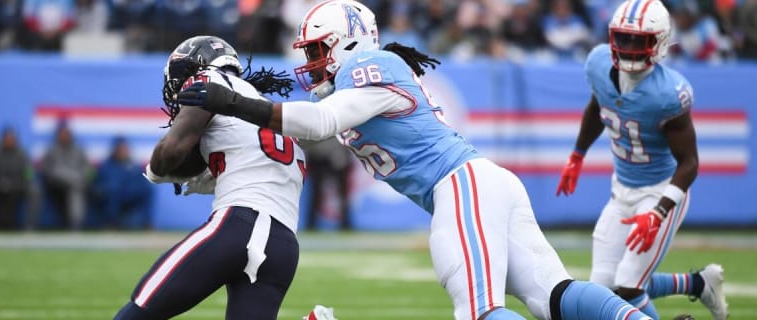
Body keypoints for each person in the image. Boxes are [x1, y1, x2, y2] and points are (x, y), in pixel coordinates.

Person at [175, 1, 663, 319]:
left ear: (348, 41)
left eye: (319, 50)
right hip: (479, 184)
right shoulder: (361, 78)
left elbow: (319, 122)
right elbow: (302, 139)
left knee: (478, 311)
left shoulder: (373, 66)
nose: (312, 62)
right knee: (554, 297)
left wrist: (232, 101)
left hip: (459, 186)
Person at [554, 0, 728, 319]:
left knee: (629, 285)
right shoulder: (597, 64)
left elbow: (690, 163)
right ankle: (699, 283)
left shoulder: (668, 93)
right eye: (623, 38)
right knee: (601, 290)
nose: (630, 47)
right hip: (621, 190)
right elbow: (598, 107)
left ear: (660, 42)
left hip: (659, 191)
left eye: (639, 40)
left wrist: (659, 211)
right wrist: (577, 155)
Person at [113, 35, 305, 320]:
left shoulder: (207, 82)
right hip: (282, 246)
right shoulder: (262, 108)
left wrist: (156, 170)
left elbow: (172, 153)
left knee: (139, 311)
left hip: (240, 225)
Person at [0, 126, 40, 231]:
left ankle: (30, 226)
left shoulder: (22, 154)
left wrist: (17, 183)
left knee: (34, 190)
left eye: (12, 139)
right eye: (7, 139)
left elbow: (29, 174)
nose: (10, 141)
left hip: (19, 187)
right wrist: (1, 182)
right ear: (3, 139)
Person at [89, 135, 153, 229]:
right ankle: (110, 223)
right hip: (111, 195)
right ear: (115, 149)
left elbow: (139, 180)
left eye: (124, 148)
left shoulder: (132, 164)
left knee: (148, 189)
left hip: (127, 194)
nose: (123, 151)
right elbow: (101, 183)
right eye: (120, 148)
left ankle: (147, 223)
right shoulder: (107, 165)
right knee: (113, 190)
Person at [40, 119, 90, 230]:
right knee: (72, 181)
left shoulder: (78, 150)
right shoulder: (51, 150)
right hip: (55, 185)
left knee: (75, 188)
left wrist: (80, 178)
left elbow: (86, 169)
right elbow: (46, 169)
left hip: (76, 184)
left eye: (66, 133)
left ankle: (75, 225)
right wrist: (66, 176)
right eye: (62, 133)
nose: (64, 136)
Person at [304, 137, 352, 231]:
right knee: (316, 193)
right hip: (318, 156)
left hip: (337, 155)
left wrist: (344, 156)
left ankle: (346, 224)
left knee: (342, 193)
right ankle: (311, 224)